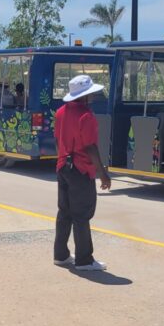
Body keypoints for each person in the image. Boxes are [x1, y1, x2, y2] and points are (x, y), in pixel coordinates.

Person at [54, 74, 111, 271]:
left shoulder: (60, 112)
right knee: (82, 215)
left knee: (64, 212)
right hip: (80, 169)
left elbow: (57, 140)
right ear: (85, 96)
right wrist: (102, 173)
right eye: (91, 94)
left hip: (63, 166)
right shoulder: (86, 116)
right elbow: (90, 147)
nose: (93, 98)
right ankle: (84, 260)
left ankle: (60, 255)